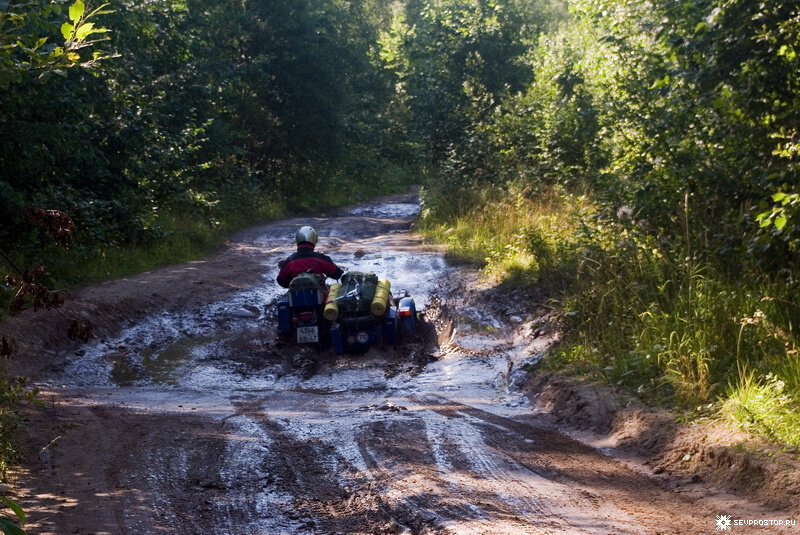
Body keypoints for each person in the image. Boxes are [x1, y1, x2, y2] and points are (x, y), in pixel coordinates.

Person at [276, 225, 344, 288]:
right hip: (320, 298)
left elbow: (281, 281)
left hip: (296, 298)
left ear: (298, 240)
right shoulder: (321, 258)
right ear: (314, 240)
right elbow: (337, 274)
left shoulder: (290, 261)